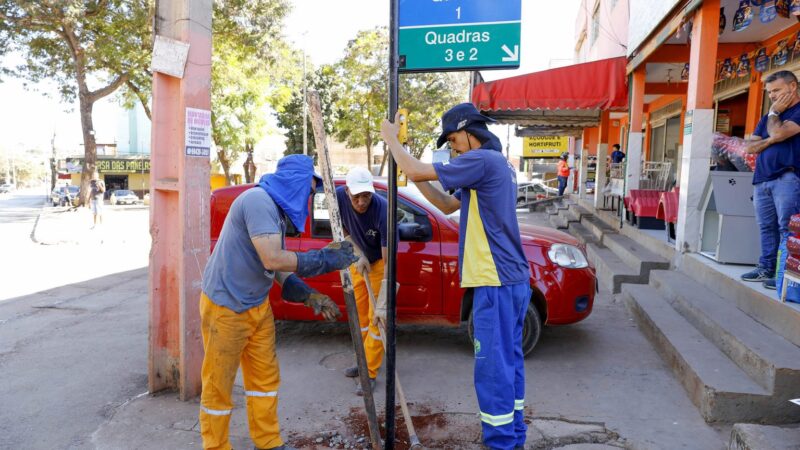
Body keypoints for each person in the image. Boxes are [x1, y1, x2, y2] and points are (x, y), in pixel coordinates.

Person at [380, 103, 531, 450]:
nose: (453, 147)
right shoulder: (495, 164)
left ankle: (501, 444)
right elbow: (447, 205)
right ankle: (514, 438)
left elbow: (416, 167)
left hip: (495, 281)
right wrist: (413, 177)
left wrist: (391, 140)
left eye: (453, 139)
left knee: (492, 372)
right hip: (510, 281)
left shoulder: (482, 160)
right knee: (509, 365)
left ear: (469, 131)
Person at [199, 154, 358, 450]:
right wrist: (325, 259)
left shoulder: (275, 211)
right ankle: (216, 446)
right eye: (311, 189)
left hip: (256, 306)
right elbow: (272, 257)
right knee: (218, 385)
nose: (311, 196)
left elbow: (276, 269)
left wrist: (308, 295)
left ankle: (268, 441)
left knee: (264, 380)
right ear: (297, 181)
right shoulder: (258, 202)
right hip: (226, 307)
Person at [741, 70, 800, 289]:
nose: (772, 96)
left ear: (792, 86)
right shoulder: (767, 118)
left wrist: (775, 114)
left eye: (777, 90)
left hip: (788, 177)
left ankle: (784, 274)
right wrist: (769, 138)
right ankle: (765, 267)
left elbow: (779, 134)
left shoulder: (793, 112)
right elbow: (749, 147)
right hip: (762, 178)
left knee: (787, 228)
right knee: (766, 226)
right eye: (769, 93)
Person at [336, 166, 391, 396]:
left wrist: (384, 301)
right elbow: (340, 228)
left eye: (366, 195)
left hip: (379, 264)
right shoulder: (336, 196)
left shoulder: (383, 210)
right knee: (359, 318)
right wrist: (358, 253)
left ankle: (369, 372)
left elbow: (389, 262)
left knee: (376, 319)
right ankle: (362, 358)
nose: (361, 202)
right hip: (356, 259)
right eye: (356, 196)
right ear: (347, 191)